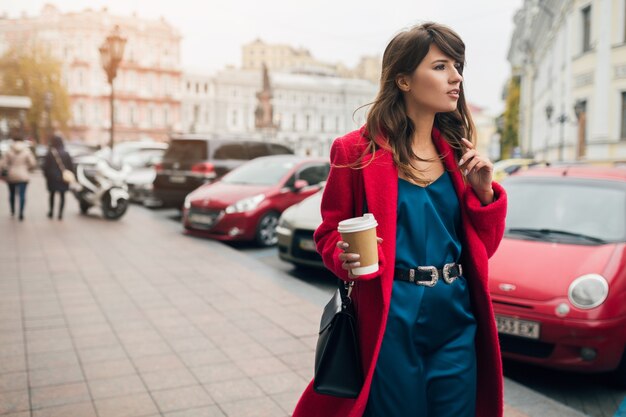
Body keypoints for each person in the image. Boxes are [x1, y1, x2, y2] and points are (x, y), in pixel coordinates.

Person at [293, 22, 507, 417]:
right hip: (392, 313)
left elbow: (483, 250)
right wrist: (344, 257)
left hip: (456, 313)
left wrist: (484, 193)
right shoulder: (356, 150)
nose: (456, 77)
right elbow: (328, 232)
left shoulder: (461, 154)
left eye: (457, 66)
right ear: (404, 80)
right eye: (441, 66)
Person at [0, 136, 37, 221]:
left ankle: (13, 210)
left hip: (11, 175)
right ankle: (21, 213)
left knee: (12, 194)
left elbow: (2, 164)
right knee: (22, 195)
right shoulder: (26, 151)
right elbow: (32, 163)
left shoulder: (9, 151)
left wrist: (7, 169)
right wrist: (26, 168)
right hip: (23, 175)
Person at [43, 135, 74, 220]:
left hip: (52, 178)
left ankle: (51, 212)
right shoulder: (66, 153)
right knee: (62, 195)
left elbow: (45, 166)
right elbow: (71, 166)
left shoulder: (50, 153)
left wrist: (47, 176)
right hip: (64, 178)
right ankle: (60, 213)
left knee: (52, 195)